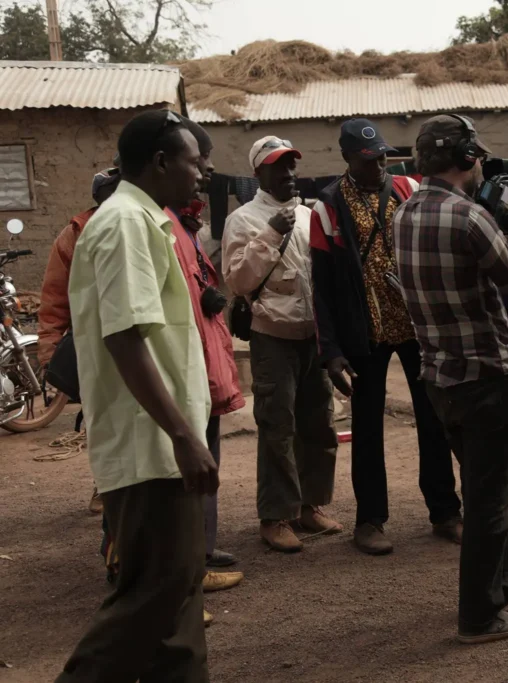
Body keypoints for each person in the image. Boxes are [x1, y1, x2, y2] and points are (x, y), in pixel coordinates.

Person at [57, 109, 214, 682]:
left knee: (180, 601)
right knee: (156, 590)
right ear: (162, 162)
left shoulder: (147, 220)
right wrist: (181, 436)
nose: (204, 172)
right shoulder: (124, 223)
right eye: (196, 161)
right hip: (152, 447)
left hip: (165, 442)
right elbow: (124, 339)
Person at [393, 114, 508, 644]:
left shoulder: (405, 213)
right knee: (487, 500)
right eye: (476, 154)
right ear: (464, 159)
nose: (481, 162)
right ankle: (479, 617)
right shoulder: (469, 217)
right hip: (487, 379)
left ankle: (505, 583)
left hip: (440, 379)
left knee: (487, 486)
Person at [310, 119, 462, 556]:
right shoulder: (327, 207)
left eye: (381, 157)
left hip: (416, 326)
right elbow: (321, 287)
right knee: (368, 426)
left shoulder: (408, 189)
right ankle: (370, 520)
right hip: (366, 333)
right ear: (347, 159)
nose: (378, 166)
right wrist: (332, 352)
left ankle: (445, 512)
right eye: (367, 159)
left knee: (433, 419)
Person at [222, 136, 340, 553]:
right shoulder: (243, 221)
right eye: (277, 167)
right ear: (258, 174)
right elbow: (238, 281)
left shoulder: (309, 216)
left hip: (313, 336)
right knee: (277, 427)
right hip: (272, 337)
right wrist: (271, 234)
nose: (288, 174)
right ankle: (275, 516)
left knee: (319, 424)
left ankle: (310, 506)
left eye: (291, 165)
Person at [173, 119, 246, 591]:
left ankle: (200, 551)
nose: (210, 169)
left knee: (206, 459)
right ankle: (183, 566)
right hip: (185, 367)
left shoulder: (186, 221)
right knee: (186, 465)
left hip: (204, 362)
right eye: (202, 160)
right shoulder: (155, 224)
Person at [37, 167, 120, 515]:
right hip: (95, 344)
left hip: (139, 339)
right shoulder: (74, 234)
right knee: (101, 420)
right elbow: (55, 297)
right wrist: (49, 351)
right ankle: (106, 485)